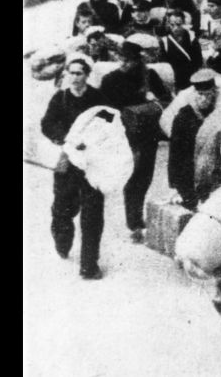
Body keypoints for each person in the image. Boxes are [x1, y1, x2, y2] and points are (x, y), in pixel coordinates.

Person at [40, 58, 111, 279]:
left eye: (79, 73)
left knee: (93, 214)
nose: (74, 77)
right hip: (68, 162)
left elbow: (110, 123)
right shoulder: (60, 99)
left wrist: (93, 140)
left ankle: (89, 265)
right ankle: (62, 241)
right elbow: (47, 124)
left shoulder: (97, 98)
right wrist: (65, 139)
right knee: (62, 208)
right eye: (71, 73)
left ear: (87, 75)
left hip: (92, 163)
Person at [100, 41, 173, 243]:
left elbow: (167, 100)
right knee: (133, 179)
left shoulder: (149, 76)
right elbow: (104, 111)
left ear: (137, 60)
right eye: (120, 58)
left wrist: (153, 99)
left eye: (128, 60)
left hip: (148, 134)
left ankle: (136, 220)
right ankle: (134, 222)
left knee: (144, 177)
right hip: (125, 137)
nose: (122, 63)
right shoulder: (110, 80)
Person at [167, 69, 217, 211]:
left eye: (208, 95)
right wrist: (178, 186)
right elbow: (175, 155)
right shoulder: (184, 117)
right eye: (200, 94)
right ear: (194, 94)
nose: (204, 99)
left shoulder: (217, 112)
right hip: (189, 175)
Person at [158, 9, 203, 91]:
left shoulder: (192, 38)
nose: (175, 28)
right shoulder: (164, 41)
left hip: (192, 75)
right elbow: (164, 63)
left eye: (178, 24)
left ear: (184, 23)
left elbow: (198, 60)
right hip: (176, 78)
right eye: (172, 25)